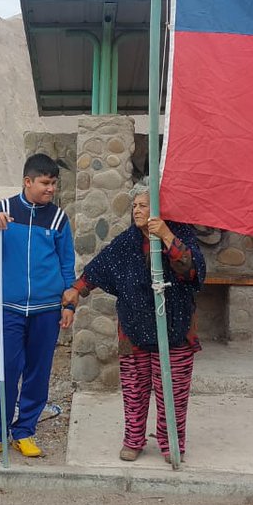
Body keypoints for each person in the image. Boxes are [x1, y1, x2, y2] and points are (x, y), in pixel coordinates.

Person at [63, 183, 205, 462]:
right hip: (133, 329)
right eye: (135, 206)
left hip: (175, 328)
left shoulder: (182, 234)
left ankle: (170, 443)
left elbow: (191, 272)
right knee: (134, 389)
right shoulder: (126, 242)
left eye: (144, 206)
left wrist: (165, 235)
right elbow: (98, 267)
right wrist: (76, 291)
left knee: (173, 393)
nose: (138, 211)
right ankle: (134, 439)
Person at [0, 153, 76, 461]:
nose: (51, 190)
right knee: (4, 370)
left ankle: (25, 432)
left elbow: (67, 263)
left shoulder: (58, 219)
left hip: (46, 308)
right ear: (27, 182)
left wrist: (69, 304)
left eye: (54, 184)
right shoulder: (3, 212)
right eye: (45, 183)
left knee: (38, 372)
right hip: (8, 307)